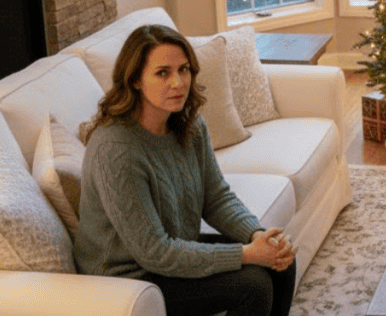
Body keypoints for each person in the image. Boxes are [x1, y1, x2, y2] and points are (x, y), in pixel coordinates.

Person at [73, 25, 298, 316]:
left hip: (172, 250)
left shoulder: (189, 124)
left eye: (184, 70)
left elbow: (216, 198)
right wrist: (246, 255)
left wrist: (257, 235)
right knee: (254, 285)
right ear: (135, 79)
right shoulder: (115, 150)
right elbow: (155, 252)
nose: (178, 83)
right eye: (162, 72)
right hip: (126, 276)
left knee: (282, 263)